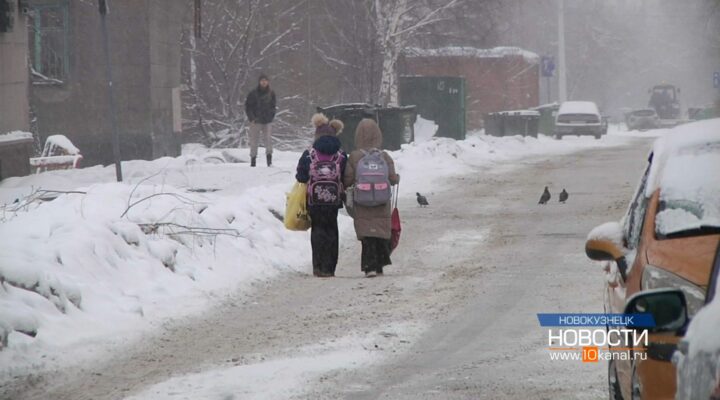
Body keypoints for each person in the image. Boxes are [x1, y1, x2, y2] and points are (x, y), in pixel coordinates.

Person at [343, 119, 399, 278]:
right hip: (382, 201)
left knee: (367, 234)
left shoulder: (354, 156)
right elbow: (392, 178)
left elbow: (348, 179)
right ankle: (380, 264)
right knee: (381, 232)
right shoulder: (384, 156)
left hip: (362, 200)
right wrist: (396, 179)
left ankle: (369, 267)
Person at [296, 113, 347, 277]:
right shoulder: (340, 155)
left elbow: (301, 177)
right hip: (333, 201)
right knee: (332, 229)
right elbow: (346, 177)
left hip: (314, 200)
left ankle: (318, 266)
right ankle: (330, 267)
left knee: (317, 229)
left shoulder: (308, 155)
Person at [245, 74, 277, 167]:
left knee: (268, 141)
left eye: (265, 80)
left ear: (268, 82)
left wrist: (271, 116)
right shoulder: (253, 93)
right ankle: (253, 161)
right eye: (262, 80)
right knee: (254, 141)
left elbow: (273, 106)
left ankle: (269, 161)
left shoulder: (271, 93)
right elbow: (248, 107)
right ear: (259, 82)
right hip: (256, 121)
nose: (264, 82)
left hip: (267, 121)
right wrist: (252, 118)